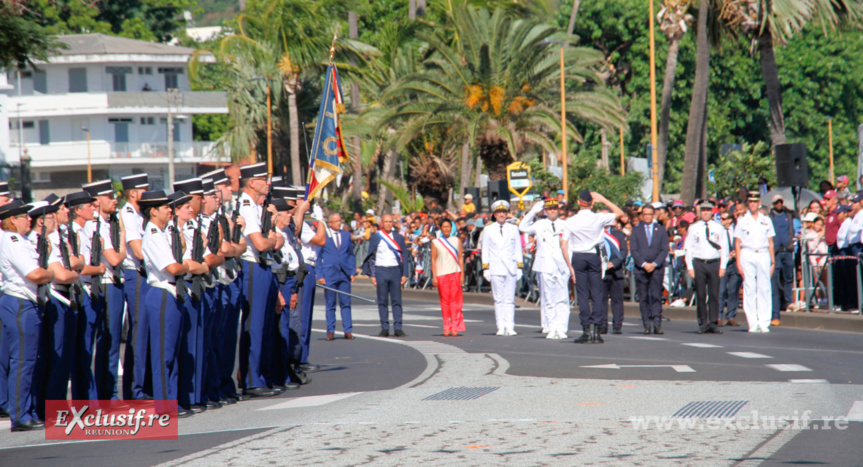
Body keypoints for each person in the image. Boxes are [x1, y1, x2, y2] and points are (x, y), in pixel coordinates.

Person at [1, 200, 55, 431]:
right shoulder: (12, 241)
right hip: (20, 303)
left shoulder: (20, 240)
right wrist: (52, 272)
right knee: (23, 361)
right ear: (13, 219)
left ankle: (27, 411)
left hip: (26, 303)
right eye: (24, 216)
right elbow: (34, 273)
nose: (29, 219)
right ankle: (20, 415)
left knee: (29, 361)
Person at [140, 190, 192, 416]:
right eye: (165, 207)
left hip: (172, 292)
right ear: (153, 211)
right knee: (164, 354)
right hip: (162, 292)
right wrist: (188, 266)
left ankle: (171, 401)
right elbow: (172, 267)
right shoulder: (152, 234)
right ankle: (164, 405)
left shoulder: (162, 233)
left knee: (172, 352)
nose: (170, 210)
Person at [236, 163, 283, 397]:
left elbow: (275, 242)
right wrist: (272, 236)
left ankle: (260, 376)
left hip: (263, 266)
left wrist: (272, 232)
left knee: (263, 326)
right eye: (263, 178)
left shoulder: (257, 207)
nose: (268, 182)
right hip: (253, 266)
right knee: (254, 325)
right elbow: (263, 244)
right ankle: (252, 379)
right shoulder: (246, 206)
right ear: (251, 182)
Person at [82, 179, 127, 401]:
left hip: (112, 283)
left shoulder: (107, 222)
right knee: (108, 341)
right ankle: (107, 394)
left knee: (110, 341)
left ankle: (106, 392)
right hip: (107, 284)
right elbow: (115, 258)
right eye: (109, 196)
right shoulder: (95, 225)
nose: (114, 199)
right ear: (97, 201)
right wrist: (124, 237)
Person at [560, 190, 623, 343]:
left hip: (578, 256)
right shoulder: (598, 218)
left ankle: (586, 330)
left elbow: (563, 246)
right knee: (597, 294)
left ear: (578, 203)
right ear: (592, 203)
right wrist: (605, 200)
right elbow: (619, 213)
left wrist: (570, 267)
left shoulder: (570, 221)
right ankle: (597, 331)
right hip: (594, 256)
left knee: (582, 295)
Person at [118, 173, 152, 401]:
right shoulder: (128, 214)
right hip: (136, 274)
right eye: (144, 189)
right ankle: (136, 388)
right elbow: (138, 250)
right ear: (133, 193)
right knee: (139, 331)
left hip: (146, 274)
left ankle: (141, 386)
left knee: (145, 331)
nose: (147, 194)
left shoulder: (141, 214)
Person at [519, 198, 570, 339]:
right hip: (545, 265)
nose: (552, 210)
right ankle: (552, 327)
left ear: (558, 209)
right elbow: (522, 226)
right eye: (549, 209)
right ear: (545, 211)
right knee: (548, 298)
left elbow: (569, 246)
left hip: (561, 266)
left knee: (562, 298)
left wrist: (569, 266)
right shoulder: (540, 224)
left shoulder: (565, 224)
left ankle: (561, 328)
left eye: (554, 208)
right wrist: (534, 211)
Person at [684, 201, 729, 334]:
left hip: (714, 262)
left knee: (714, 294)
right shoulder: (694, 228)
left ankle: (713, 322)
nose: (705, 212)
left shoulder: (719, 228)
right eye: (703, 210)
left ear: (712, 212)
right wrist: (690, 266)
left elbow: (724, 248)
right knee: (701, 294)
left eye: (708, 210)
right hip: (699, 263)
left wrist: (723, 266)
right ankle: (702, 323)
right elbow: (689, 248)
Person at [735, 191, 776, 333]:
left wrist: (772, 262)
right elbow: (738, 242)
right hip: (747, 253)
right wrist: (738, 263)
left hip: (763, 253)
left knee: (764, 288)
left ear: (759, 203)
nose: (752, 204)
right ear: (748, 204)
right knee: (749, 288)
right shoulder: (742, 220)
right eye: (750, 202)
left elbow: (770, 242)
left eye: (755, 202)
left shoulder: (766, 220)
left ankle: (764, 321)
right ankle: (752, 322)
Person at [481, 200, 524, 336]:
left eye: (504, 212)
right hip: (495, 267)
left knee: (509, 299)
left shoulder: (513, 228)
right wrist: (486, 268)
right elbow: (485, 250)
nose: (501, 214)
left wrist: (519, 267)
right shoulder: (488, 229)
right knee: (498, 298)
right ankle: (501, 325)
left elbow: (518, 248)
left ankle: (510, 325)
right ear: (494, 214)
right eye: (499, 212)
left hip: (510, 267)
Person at [363, 214, 410, 337]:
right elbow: (371, 257)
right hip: (381, 271)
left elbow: (404, 256)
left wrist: (405, 273)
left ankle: (398, 327)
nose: (389, 223)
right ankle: (384, 327)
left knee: (396, 300)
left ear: (393, 223)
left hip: (395, 271)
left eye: (391, 221)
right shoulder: (376, 237)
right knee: (382, 301)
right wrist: (372, 275)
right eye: (386, 221)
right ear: (382, 223)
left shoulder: (398, 238)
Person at [630, 204, 670, 335]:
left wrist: (655, 263)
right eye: (645, 214)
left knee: (657, 296)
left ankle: (657, 323)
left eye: (649, 214)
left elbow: (664, 249)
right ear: (642, 215)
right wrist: (643, 264)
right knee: (644, 297)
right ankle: (646, 323)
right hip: (641, 269)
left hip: (656, 268)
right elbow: (634, 250)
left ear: (653, 215)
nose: (647, 217)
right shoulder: (636, 230)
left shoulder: (661, 229)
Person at [316, 213, 356, 341]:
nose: (339, 223)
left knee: (346, 303)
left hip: (344, 274)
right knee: (330, 303)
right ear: (330, 223)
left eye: (340, 220)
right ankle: (330, 330)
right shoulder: (324, 236)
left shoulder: (345, 235)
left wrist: (352, 271)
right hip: (330, 274)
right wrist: (320, 275)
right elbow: (318, 257)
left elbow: (350, 254)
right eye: (336, 221)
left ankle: (348, 330)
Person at [430, 219, 465, 336]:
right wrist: (434, 276)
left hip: (455, 272)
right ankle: (446, 325)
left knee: (455, 301)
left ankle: (454, 325)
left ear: (451, 228)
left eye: (448, 227)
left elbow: (460, 258)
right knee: (445, 302)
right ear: (440, 228)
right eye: (444, 227)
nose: (446, 229)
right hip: (441, 274)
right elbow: (433, 260)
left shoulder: (456, 240)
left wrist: (462, 274)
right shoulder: (436, 242)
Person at [769, 195, 795, 326]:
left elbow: (791, 230)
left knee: (788, 277)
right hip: (776, 252)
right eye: (776, 202)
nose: (778, 204)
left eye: (780, 201)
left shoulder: (788, 214)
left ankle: (789, 301)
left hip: (787, 250)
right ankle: (778, 303)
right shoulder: (770, 217)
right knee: (776, 279)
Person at [600, 214, 628, 334]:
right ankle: (602, 324)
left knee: (617, 300)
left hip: (616, 271)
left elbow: (623, 251)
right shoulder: (596, 234)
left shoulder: (618, 234)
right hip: (602, 270)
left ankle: (617, 325)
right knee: (601, 300)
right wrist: (603, 263)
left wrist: (614, 263)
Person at [718, 210, 742, 326]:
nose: (721, 221)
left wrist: (737, 253)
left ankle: (731, 316)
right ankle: (718, 316)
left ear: (730, 220)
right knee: (721, 290)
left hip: (735, 263)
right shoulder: (719, 230)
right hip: (723, 263)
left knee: (733, 290)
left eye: (723, 219)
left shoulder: (736, 229)